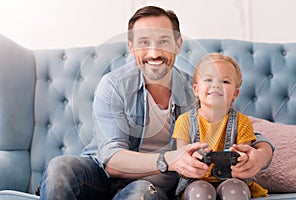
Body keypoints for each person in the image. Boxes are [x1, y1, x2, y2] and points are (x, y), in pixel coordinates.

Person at [40, 6, 274, 200]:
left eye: (163, 41)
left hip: (152, 189)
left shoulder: (194, 90)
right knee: (60, 167)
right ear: (131, 47)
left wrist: (260, 156)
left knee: (142, 191)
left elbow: (238, 127)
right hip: (101, 177)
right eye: (144, 42)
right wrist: (169, 160)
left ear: (178, 45)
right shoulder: (114, 85)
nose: (154, 53)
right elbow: (111, 159)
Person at [172, 53, 269, 199]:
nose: (216, 85)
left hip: (233, 179)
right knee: (200, 193)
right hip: (195, 181)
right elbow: (181, 161)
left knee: (235, 191)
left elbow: (245, 156)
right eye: (209, 79)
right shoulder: (184, 121)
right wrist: (193, 161)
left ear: (235, 93)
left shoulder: (242, 122)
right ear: (196, 90)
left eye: (224, 81)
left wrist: (242, 161)